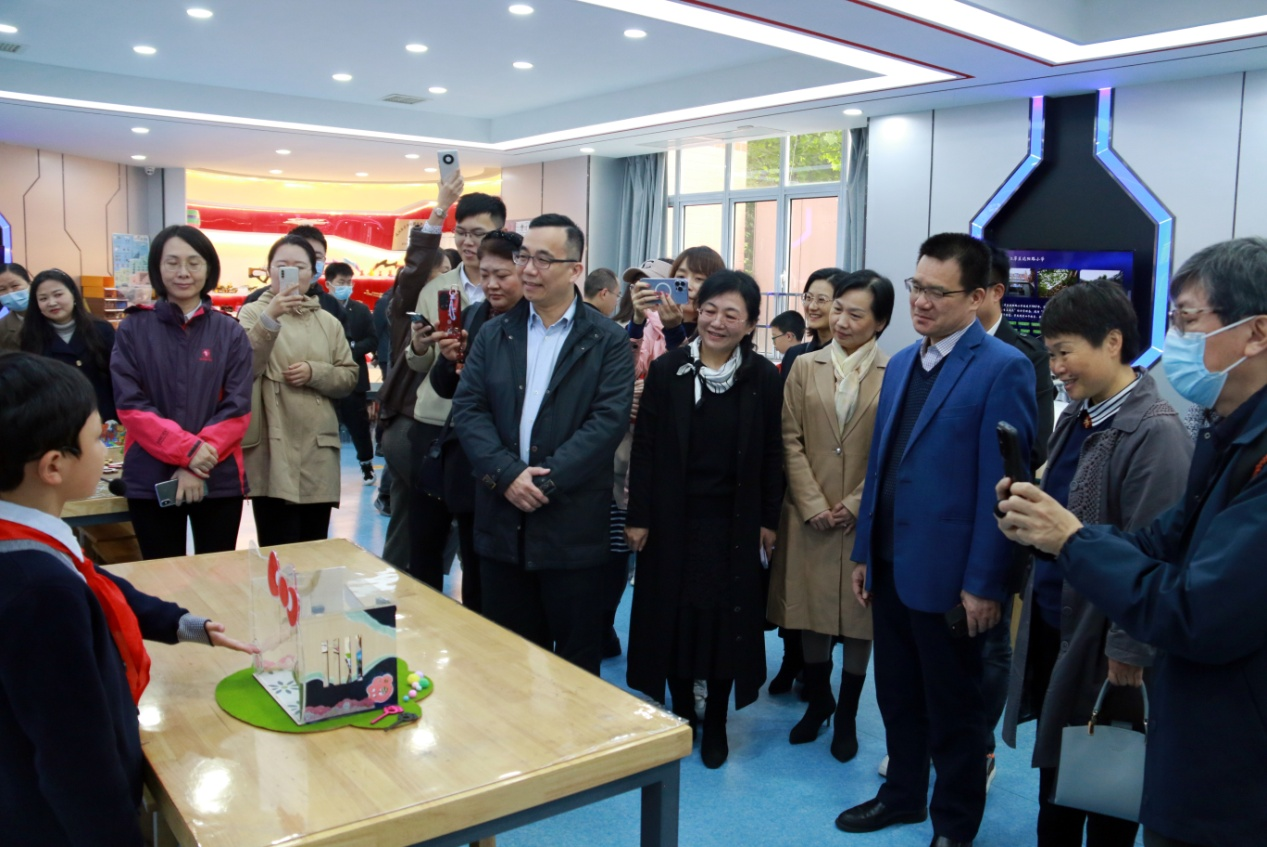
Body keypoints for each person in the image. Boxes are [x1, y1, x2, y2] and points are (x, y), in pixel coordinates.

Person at [997, 236, 1267, 847]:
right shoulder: (1224, 434)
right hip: (1182, 715)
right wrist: (1048, 529)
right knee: (1062, 782)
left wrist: (1073, 542)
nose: (1174, 340)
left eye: (1188, 321)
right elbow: (1155, 538)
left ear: (1256, 333)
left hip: (1229, 754)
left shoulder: (1168, 431)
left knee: (1104, 789)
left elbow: (1196, 607)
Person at [0, 351, 256, 847]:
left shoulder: (27, 541)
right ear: (54, 465)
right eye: (99, 438)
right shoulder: (39, 591)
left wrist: (186, 624)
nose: (107, 446)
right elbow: (74, 756)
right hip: (51, 822)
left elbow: (100, 584)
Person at [839, 233, 1036, 846]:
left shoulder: (1003, 367)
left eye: (937, 292)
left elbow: (1003, 489)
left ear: (977, 297)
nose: (921, 302)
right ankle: (902, 796)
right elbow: (882, 465)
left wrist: (984, 583)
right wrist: (865, 551)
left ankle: (954, 824)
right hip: (892, 562)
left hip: (953, 577)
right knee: (896, 694)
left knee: (955, 710)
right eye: (916, 287)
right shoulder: (902, 362)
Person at [998, 280, 1191, 847]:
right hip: (1059, 625)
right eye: (1050, 353)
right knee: (1059, 784)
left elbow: (1154, 554)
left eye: (1064, 352)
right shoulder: (1079, 416)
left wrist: (1129, 649)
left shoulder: (1155, 431)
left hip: (1106, 642)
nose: (1055, 367)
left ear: (1112, 342)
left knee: (1107, 784)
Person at [451, 213, 633, 674]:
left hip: (573, 528)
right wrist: (508, 475)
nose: (529, 270)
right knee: (511, 665)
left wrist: (543, 483)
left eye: (543, 260)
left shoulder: (607, 340)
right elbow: (469, 410)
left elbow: (606, 422)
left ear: (575, 269)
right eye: (524, 257)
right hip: (502, 524)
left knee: (575, 669)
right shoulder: (494, 333)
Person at [625, 270, 783, 768]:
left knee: (723, 622)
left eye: (731, 314)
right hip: (671, 519)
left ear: (750, 324)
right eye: (710, 310)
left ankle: (715, 719)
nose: (717, 322)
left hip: (733, 524)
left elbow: (772, 453)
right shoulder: (669, 369)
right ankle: (682, 713)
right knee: (672, 617)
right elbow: (645, 450)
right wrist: (638, 515)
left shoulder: (761, 377)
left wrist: (769, 520)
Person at [767, 270, 894, 762]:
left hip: (864, 517)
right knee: (812, 612)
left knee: (861, 619)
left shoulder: (895, 371)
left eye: (855, 314)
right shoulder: (804, 365)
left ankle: (847, 716)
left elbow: (891, 451)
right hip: (809, 514)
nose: (841, 320)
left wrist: (856, 503)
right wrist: (813, 503)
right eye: (838, 309)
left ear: (879, 322)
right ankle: (819, 700)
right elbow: (789, 437)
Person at [110, 226, 254, 560]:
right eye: (172, 262)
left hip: (217, 474)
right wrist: (187, 451)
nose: (183, 272)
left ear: (209, 268)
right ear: (157, 268)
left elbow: (238, 408)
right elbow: (130, 405)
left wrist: (194, 463)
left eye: (194, 262)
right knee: (160, 576)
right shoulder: (133, 328)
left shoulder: (230, 332)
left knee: (218, 574)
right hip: (150, 475)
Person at [977, 245, 1058, 783]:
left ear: (992, 293)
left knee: (989, 639)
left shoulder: (1025, 356)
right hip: (941, 520)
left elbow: (1034, 445)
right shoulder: (932, 351)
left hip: (997, 516)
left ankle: (980, 750)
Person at [405, 190, 507, 589]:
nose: (468, 242)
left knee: (475, 536)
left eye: (478, 234)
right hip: (434, 421)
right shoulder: (438, 287)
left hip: (483, 428)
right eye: (461, 233)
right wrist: (419, 346)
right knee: (425, 536)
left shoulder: (511, 291)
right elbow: (418, 364)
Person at [428, 229, 526, 614]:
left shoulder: (534, 322)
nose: (491, 284)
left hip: (515, 461)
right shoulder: (473, 314)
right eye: (485, 275)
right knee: (475, 571)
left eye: (502, 275)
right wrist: (448, 359)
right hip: (472, 462)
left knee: (510, 586)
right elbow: (446, 388)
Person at [239, 235, 357, 547]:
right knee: (278, 549)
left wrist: (315, 372)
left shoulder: (328, 322)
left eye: (299, 267)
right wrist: (271, 317)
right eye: (282, 266)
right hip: (272, 446)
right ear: (268, 271)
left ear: (313, 273)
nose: (290, 274)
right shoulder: (252, 313)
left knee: (314, 548)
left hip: (318, 448)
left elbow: (349, 377)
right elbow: (244, 368)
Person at [768, 265, 846, 697]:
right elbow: (785, 423)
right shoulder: (798, 355)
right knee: (792, 582)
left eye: (824, 299)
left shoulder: (856, 358)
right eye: (809, 297)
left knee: (827, 589)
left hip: (838, 490)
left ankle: (818, 671)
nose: (814, 306)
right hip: (796, 484)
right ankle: (791, 660)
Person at [376, 176, 460, 566]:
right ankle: (404, 591)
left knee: (436, 524)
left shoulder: (462, 307)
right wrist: (440, 208)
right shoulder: (407, 308)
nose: (444, 278)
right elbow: (414, 267)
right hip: (412, 425)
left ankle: (425, 590)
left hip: (447, 427)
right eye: (437, 270)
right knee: (413, 523)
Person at [20, 268, 117, 422]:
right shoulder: (31, 336)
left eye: (58, 295)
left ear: (73, 294)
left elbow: (117, 377)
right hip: (57, 421)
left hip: (103, 417)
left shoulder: (101, 330)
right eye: (43, 298)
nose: (52, 303)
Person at [325, 262, 378, 484]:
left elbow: (372, 339)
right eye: (341, 282)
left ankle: (366, 463)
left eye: (349, 282)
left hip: (354, 377)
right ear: (328, 284)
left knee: (359, 424)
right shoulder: (320, 309)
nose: (346, 286)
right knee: (325, 425)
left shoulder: (361, 310)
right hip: (326, 377)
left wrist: (352, 348)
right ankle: (325, 468)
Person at [242, 225, 341, 319]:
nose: (311, 261)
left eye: (317, 257)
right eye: (302, 256)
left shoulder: (333, 305)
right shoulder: (255, 300)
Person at [778, 267, 845, 385]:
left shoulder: (849, 358)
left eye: (821, 300)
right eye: (808, 298)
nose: (812, 306)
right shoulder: (793, 354)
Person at [623, 258, 688, 373]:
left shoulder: (695, 322)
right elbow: (629, 372)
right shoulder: (644, 326)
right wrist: (637, 323)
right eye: (636, 287)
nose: (641, 294)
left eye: (649, 286)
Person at [669, 245, 725, 337]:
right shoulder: (655, 324)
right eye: (681, 277)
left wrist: (673, 329)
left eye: (699, 279)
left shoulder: (717, 333)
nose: (687, 286)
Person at [0, 261, 32, 350]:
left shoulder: (52, 313)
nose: (10, 293)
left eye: (15, 285)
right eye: (2, 289)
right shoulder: (2, 328)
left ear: (29, 284)